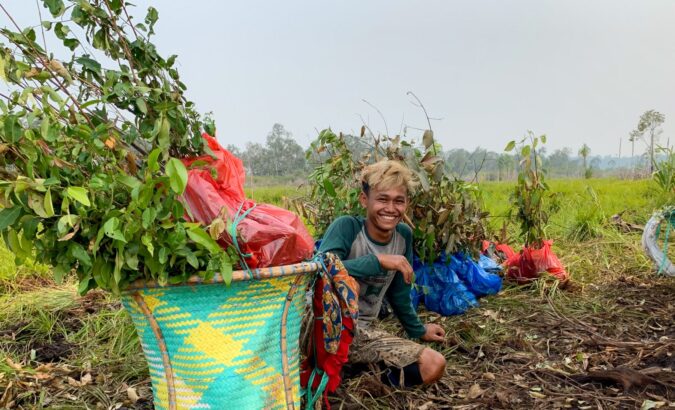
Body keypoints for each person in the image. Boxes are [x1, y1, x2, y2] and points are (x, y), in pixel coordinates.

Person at [318, 160, 447, 387]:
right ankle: (342, 371)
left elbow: (399, 294)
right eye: (382, 199)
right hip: (329, 330)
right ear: (364, 200)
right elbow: (320, 269)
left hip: (363, 333)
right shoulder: (347, 227)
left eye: (399, 201)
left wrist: (418, 330)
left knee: (433, 365)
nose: (390, 208)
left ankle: (361, 379)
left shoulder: (403, 236)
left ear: (407, 203)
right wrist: (377, 261)